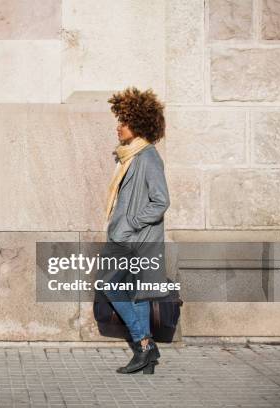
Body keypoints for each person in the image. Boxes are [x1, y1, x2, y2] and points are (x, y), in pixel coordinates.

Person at [101, 86, 170, 374]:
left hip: (135, 240)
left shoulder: (147, 157)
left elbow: (161, 201)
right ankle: (146, 352)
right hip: (126, 238)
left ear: (138, 124)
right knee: (133, 292)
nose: (119, 127)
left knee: (110, 285)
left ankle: (145, 344)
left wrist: (129, 223)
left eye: (124, 122)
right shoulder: (130, 156)